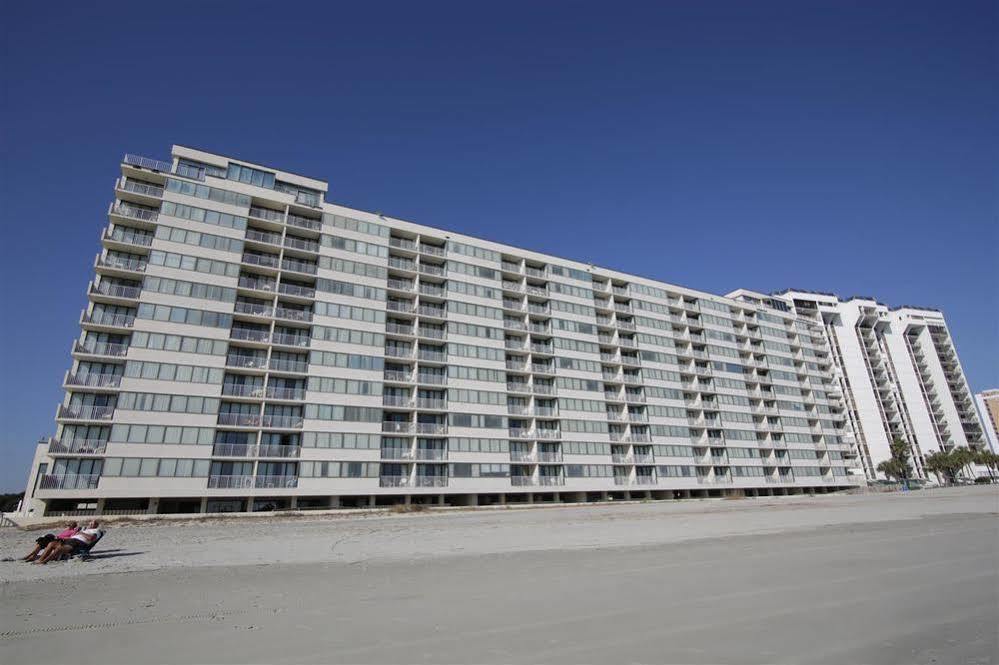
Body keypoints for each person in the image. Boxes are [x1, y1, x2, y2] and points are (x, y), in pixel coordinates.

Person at [34, 520, 104, 564]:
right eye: (90, 523)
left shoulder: (96, 531)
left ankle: (44, 561)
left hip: (77, 542)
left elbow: (91, 538)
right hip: (70, 540)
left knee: (59, 548)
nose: (91, 524)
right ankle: (40, 559)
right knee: (51, 543)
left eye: (93, 524)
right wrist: (79, 532)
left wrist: (80, 533)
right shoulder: (84, 530)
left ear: (96, 525)